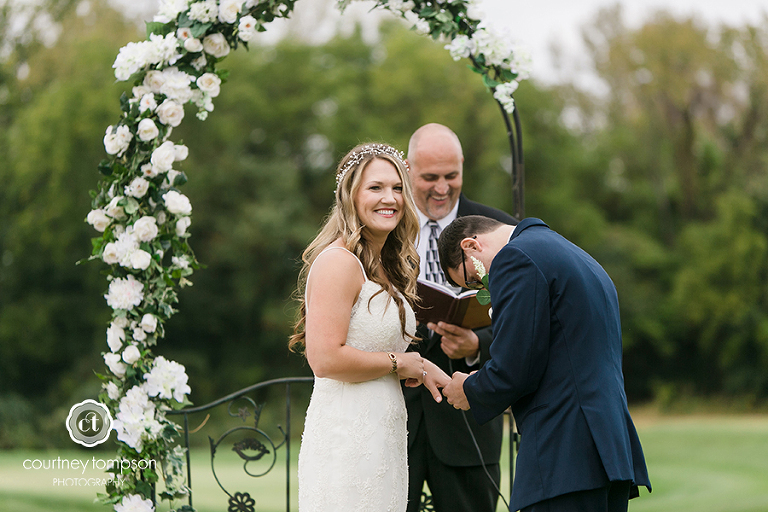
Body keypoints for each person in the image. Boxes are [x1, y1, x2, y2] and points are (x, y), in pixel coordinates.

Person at [439, 215, 652, 512]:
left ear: (471, 245)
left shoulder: (516, 257)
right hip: (607, 447)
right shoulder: (577, 255)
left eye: (475, 279)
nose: (483, 285)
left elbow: (515, 368)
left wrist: (469, 388)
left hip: (564, 450)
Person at [289, 143, 451, 512]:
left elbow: (378, 348)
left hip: (384, 434)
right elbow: (325, 359)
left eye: (397, 188)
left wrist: (422, 367)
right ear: (350, 195)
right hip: (347, 437)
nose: (390, 198)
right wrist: (401, 363)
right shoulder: (338, 262)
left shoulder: (384, 266)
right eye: (375, 187)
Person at [403, 123, 518, 512]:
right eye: (430, 177)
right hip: (394, 418)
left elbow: (526, 321)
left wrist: (477, 345)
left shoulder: (501, 231)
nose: (442, 187)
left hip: (468, 424)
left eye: (451, 176)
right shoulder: (384, 226)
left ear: (463, 168)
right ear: (408, 170)